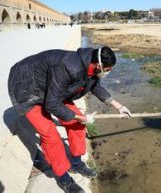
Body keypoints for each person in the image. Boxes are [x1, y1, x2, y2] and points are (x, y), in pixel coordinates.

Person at [8, 46, 133, 193]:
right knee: (51, 136)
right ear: (99, 65)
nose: (108, 72)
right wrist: (81, 117)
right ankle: (64, 180)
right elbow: (52, 104)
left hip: (51, 89)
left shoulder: (90, 66)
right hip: (27, 89)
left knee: (77, 125)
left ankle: (76, 163)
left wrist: (119, 106)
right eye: (108, 69)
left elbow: (94, 87)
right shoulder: (69, 66)